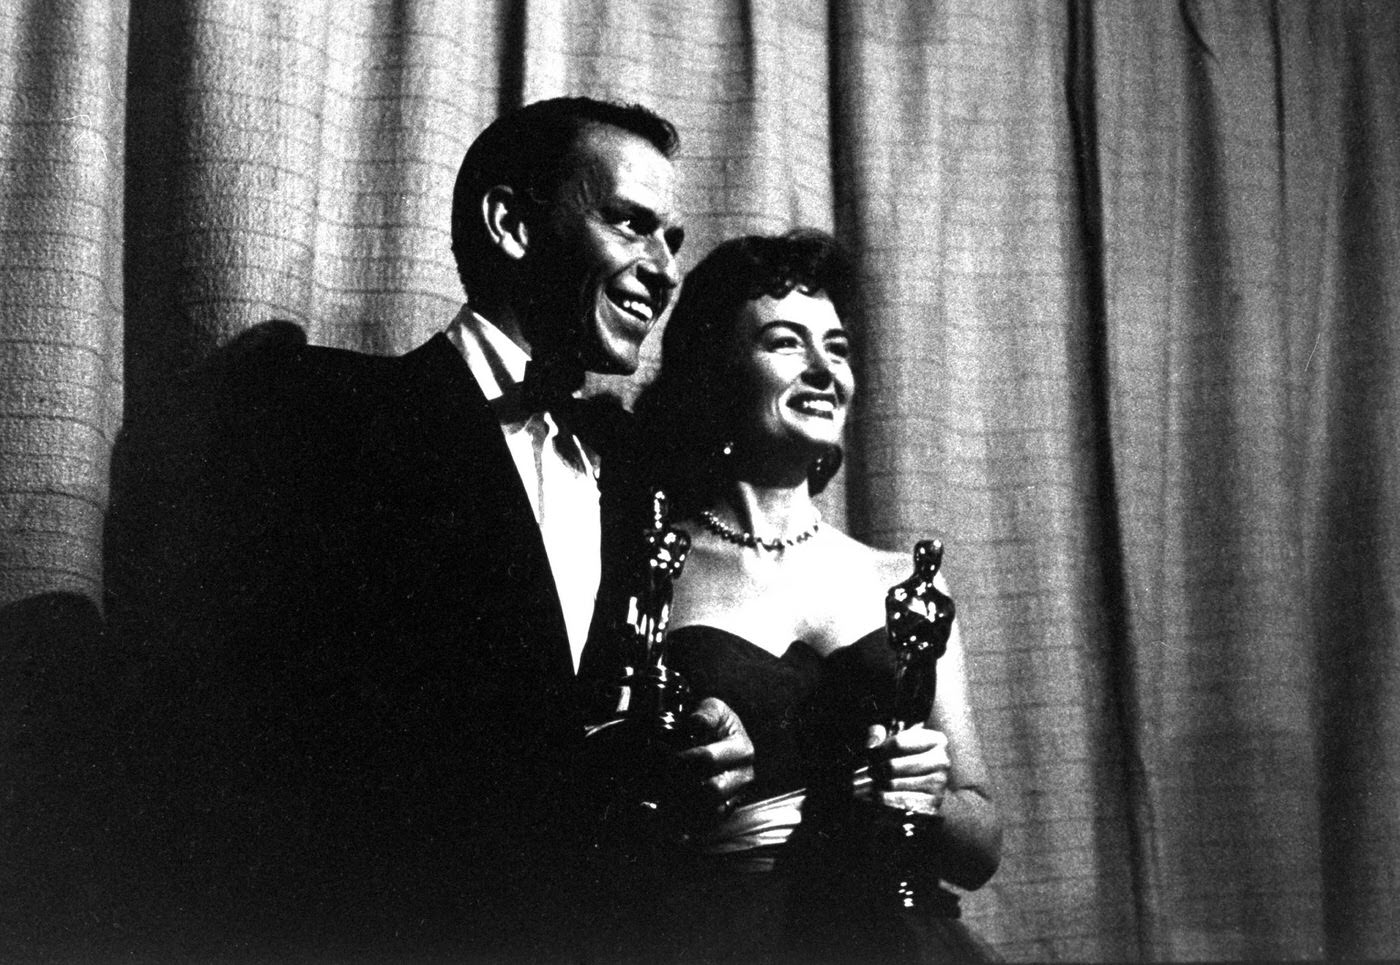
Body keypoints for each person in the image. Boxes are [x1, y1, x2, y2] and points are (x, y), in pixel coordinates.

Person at [107, 97, 754, 961]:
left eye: (673, 240)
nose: (665, 270)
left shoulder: (637, 483)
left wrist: (682, 752)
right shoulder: (318, 414)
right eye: (633, 225)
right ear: (512, 224)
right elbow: (246, 749)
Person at [614, 229, 1004, 963]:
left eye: (840, 348)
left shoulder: (907, 581)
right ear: (715, 371)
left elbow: (980, 844)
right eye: (787, 343)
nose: (827, 370)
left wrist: (925, 797)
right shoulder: (651, 564)